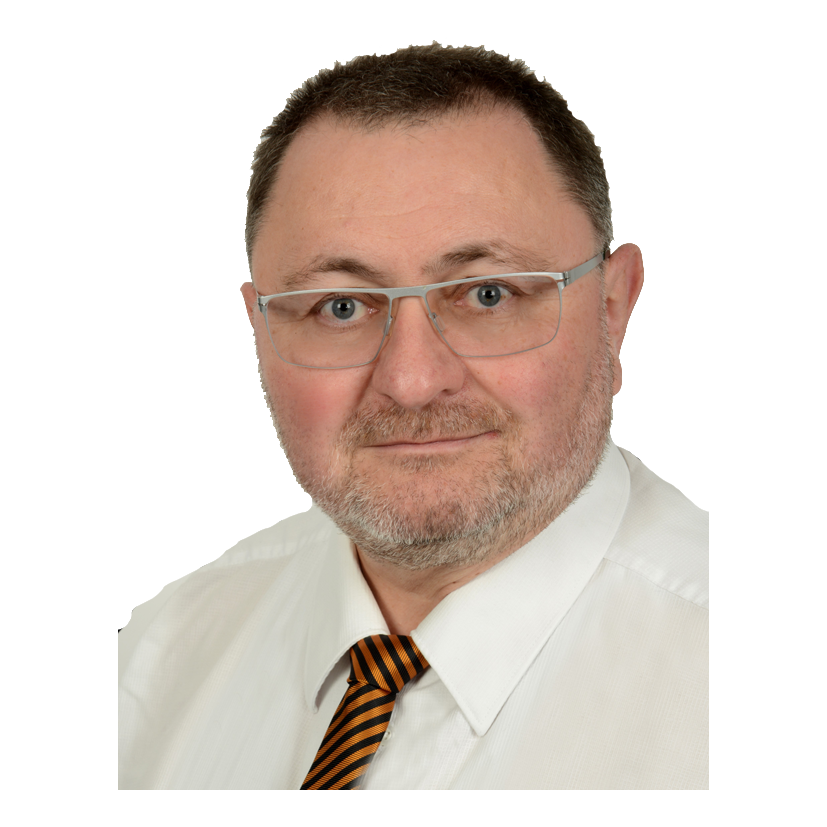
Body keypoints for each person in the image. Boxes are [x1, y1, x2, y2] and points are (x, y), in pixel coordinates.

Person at [119, 43, 707, 790]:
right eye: (340, 306)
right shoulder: (160, 655)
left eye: (488, 294)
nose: (412, 382)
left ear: (613, 309)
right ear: (260, 330)